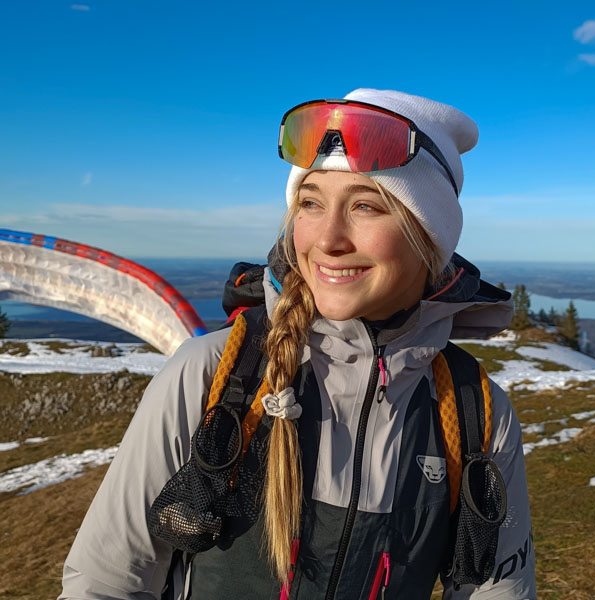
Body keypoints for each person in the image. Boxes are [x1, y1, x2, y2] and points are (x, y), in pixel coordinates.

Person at [60, 89, 537, 599]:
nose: (328, 238)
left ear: (429, 238)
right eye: (310, 203)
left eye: (366, 206)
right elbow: (107, 584)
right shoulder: (214, 376)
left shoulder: (475, 413)